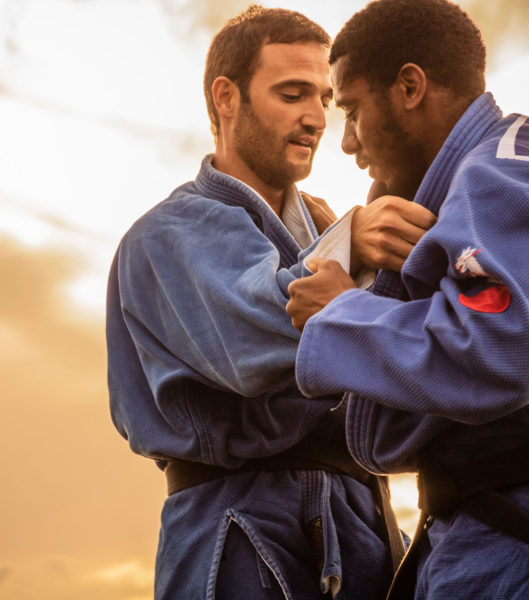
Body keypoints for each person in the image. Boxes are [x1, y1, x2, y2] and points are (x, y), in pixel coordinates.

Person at [106, 5, 436, 599]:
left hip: (360, 519)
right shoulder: (167, 234)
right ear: (227, 98)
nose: (314, 118)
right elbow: (256, 336)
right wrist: (352, 251)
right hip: (238, 519)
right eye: (291, 94)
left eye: (324, 100)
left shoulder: (323, 227)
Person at [286, 0, 529, 598]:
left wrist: (338, 314)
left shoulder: (496, 176)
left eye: (351, 110)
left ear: (410, 86)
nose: (347, 141)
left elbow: (501, 350)